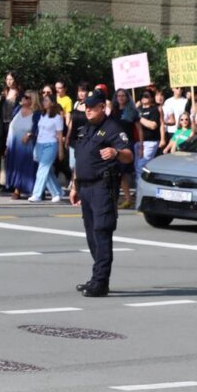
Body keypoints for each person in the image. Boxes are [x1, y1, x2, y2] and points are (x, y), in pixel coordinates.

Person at [68, 91, 133, 297]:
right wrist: (74, 185)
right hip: (85, 187)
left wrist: (116, 153)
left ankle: (100, 282)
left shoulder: (112, 128)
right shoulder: (84, 129)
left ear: (102, 108)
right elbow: (80, 159)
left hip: (102, 187)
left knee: (102, 232)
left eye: (92, 106)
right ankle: (97, 277)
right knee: (91, 235)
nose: (88, 109)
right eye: (86, 106)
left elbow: (128, 156)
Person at [29, 93, 66, 202]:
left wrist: (60, 150)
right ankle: (57, 192)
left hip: (51, 145)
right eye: (43, 100)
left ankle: (37, 194)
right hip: (40, 144)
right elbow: (39, 131)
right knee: (47, 171)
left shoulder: (58, 118)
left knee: (42, 169)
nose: (44, 102)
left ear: (52, 103)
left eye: (46, 100)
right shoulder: (42, 115)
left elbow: (59, 135)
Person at [4, 91, 37, 200]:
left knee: (23, 166)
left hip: (27, 145)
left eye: (27, 97)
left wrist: (29, 134)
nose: (23, 98)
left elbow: (38, 129)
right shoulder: (17, 109)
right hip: (13, 143)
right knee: (15, 166)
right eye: (23, 96)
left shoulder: (36, 113)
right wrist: (7, 144)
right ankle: (16, 188)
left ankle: (18, 190)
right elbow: (11, 127)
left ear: (32, 100)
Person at [0, 71, 22, 193]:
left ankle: (11, 182)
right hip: (2, 125)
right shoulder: (3, 94)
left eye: (11, 79)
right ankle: (2, 180)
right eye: (7, 79)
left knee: (11, 152)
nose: (9, 81)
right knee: (1, 152)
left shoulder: (20, 94)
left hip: (13, 125)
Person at [134, 87, 161, 175]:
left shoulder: (154, 110)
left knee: (140, 166)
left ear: (152, 98)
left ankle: (140, 187)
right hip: (138, 141)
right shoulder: (138, 109)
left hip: (150, 142)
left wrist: (139, 117)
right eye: (142, 96)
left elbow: (153, 125)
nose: (143, 97)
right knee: (137, 166)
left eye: (146, 96)